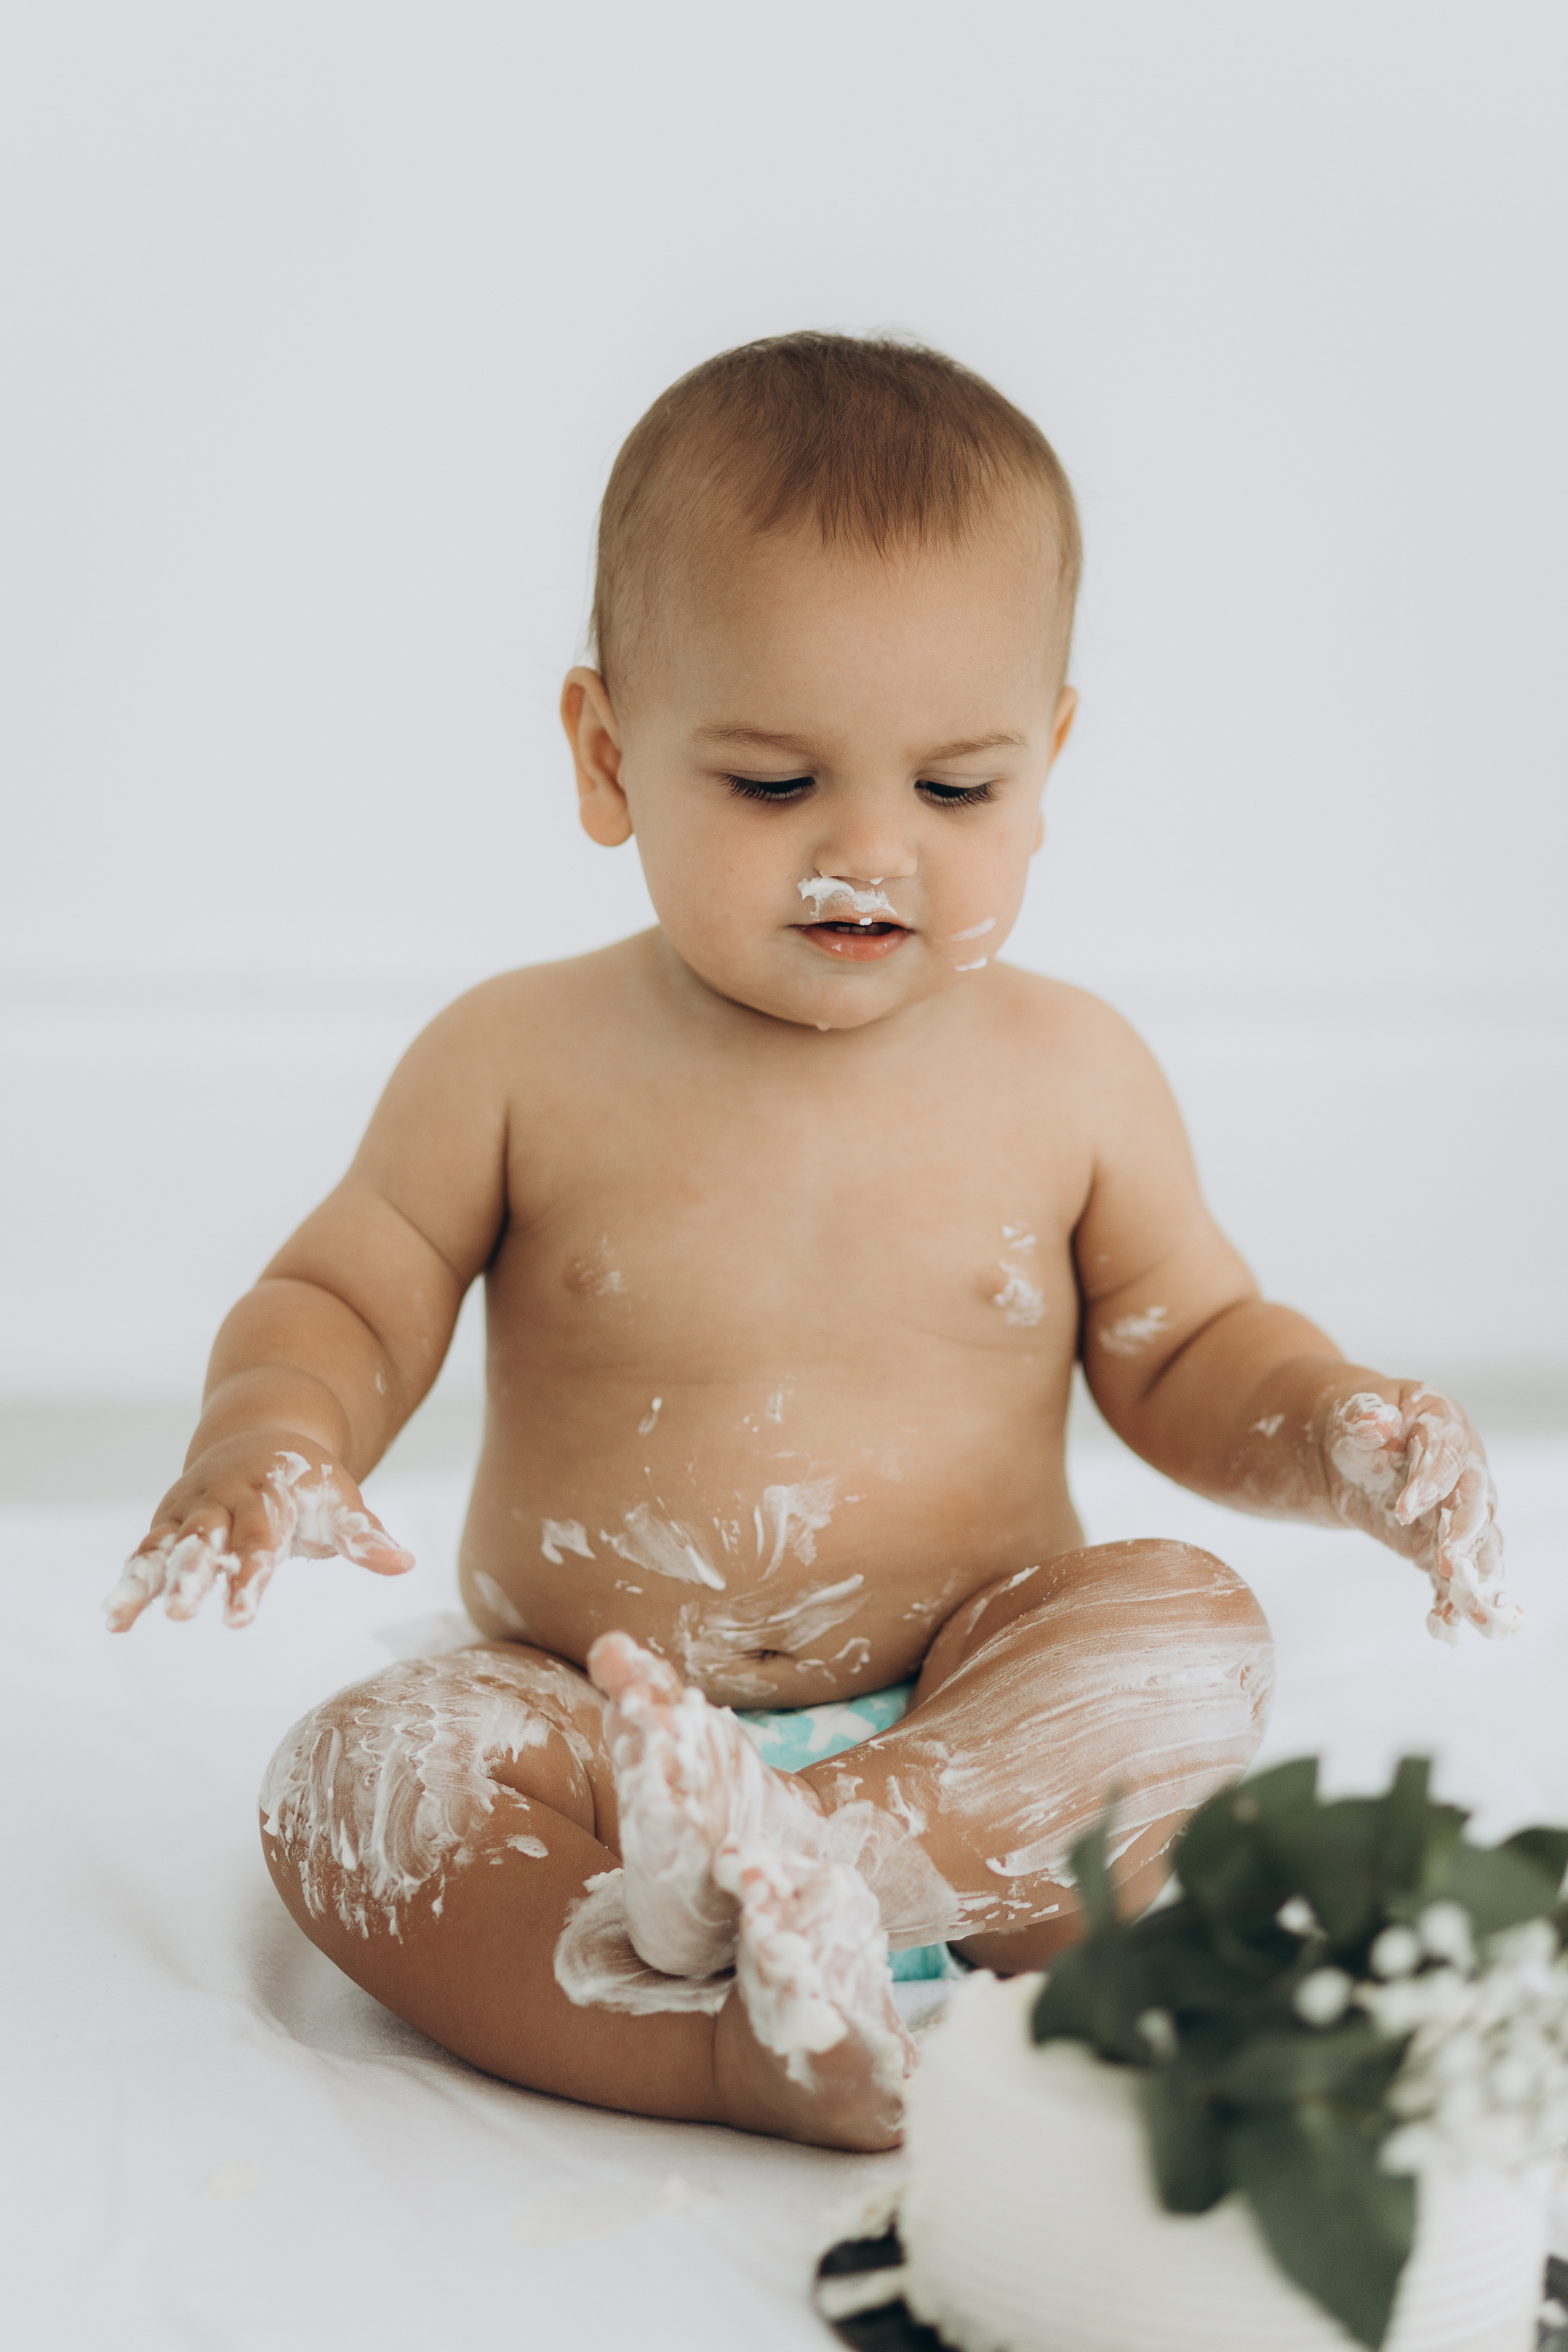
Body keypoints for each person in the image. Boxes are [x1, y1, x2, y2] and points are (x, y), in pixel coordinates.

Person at [107, 333, 1515, 2154]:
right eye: (775, 787)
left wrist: (1334, 1428)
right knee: (357, 1790)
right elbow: (346, 1290)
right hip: (593, 1734)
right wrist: (267, 1435)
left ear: (1051, 756)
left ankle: (833, 1869)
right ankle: (713, 2030)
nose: (870, 850)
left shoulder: (1073, 1075)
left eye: (956, 791)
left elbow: (1187, 1348)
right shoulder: (516, 1060)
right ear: (609, 755)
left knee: (1180, 1639)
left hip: (967, 1718)